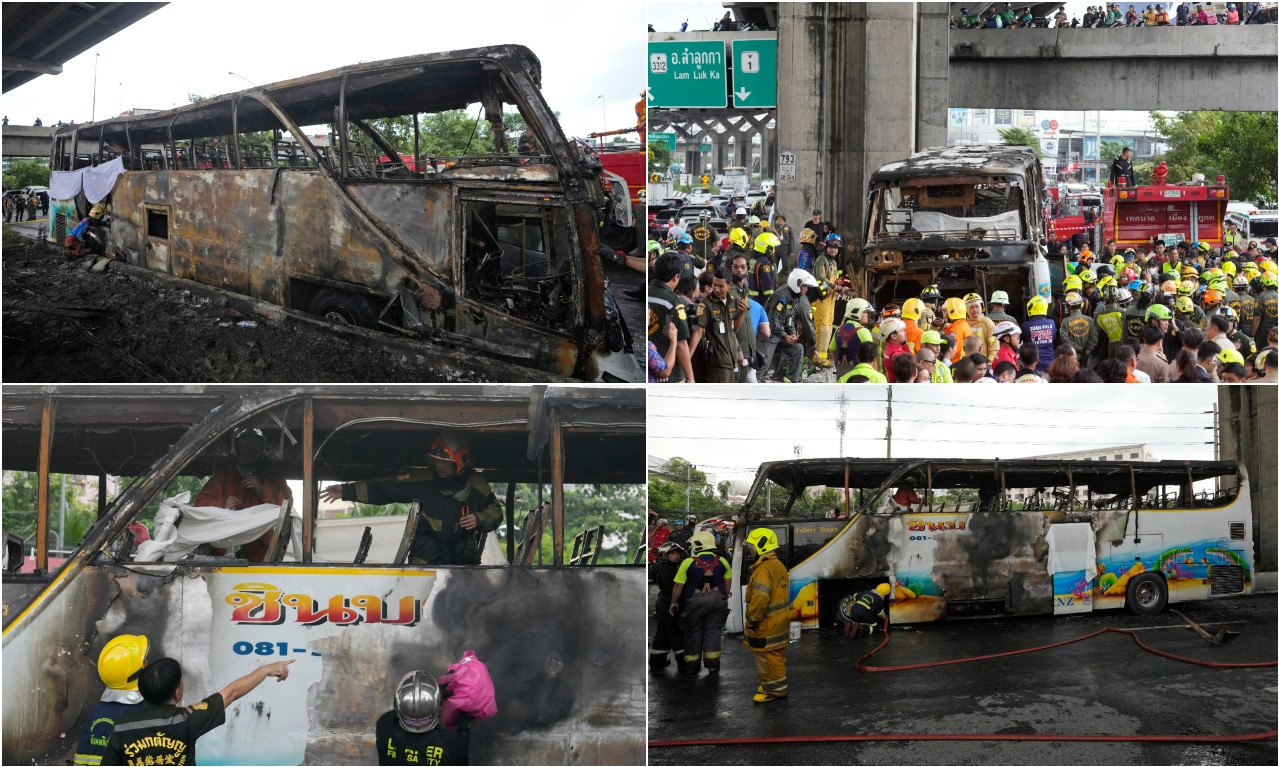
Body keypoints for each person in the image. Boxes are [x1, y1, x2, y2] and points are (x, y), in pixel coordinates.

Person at [320, 434, 501, 565]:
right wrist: (346, 491)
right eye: (437, 462)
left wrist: (479, 519)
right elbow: (385, 488)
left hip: (462, 561)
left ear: (460, 462)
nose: (440, 467)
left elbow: (496, 512)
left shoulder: (476, 485)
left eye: (445, 462)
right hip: (426, 559)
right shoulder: (424, 479)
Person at [101, 656, 294, 765]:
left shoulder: (121, 727)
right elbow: (231, 693)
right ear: (177, 693)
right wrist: (264, 670)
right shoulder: (186, 720)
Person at [194, 427, 292, 561]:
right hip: (223, 550)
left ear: (261, 452)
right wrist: (222, 503)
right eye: (243, 449)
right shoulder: (222, 478)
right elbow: (199, 506)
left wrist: (263, 487)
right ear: (235, 451)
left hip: (260, 552)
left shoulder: (273, 478)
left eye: (253, 450)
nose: (248, 454)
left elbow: (287, 506)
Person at [74, 635, 150, 766]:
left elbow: (83, 756)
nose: (147, 662)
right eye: (144, 660)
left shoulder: (98, 711)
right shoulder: (142, 711)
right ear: (134, 672)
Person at [376, 671, 470, 765]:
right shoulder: (451, 743)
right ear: (439, 707)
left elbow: (395, 711)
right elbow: (461, 755)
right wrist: (465, 727)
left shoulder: (384, 727)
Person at [670, 532, 731, 674]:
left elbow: (678, 586)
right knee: (713, 632)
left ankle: (692, 666)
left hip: (693, 603)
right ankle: (712, 665)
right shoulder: (722, 561)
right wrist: (725, 598)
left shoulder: (688, 562)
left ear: (697, 545)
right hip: (717, 602)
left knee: (693, 632)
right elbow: (728, 582)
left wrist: (673, 602)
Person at [743, 528, 789, 703]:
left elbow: (761, 597)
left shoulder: (763, 569)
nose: (750, 550)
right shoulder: (777, 565)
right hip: (778, 622)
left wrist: (752, 619)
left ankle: (775, 691)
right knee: (775, 655)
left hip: (766, 623)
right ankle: (771, 684)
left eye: (752, 547)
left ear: (761, 546)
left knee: (766, 657)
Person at [647, 252, 694, 382]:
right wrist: (690, 377)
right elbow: (681, 343)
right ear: (676, 277)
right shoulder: (673, 302)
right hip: (667, 372)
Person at [693, 266, 745, 383]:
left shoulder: (735, 300)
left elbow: (734, 330)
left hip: (732, 359)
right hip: (717, 361)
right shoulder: (706, 304)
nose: (716, 289)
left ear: (730, 285)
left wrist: (741, 314)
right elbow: (698, 332)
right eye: (714, 285)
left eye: (721, 286)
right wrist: (688, 358)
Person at [650, 542, 687, 670]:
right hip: (670, 603)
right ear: (664, 555)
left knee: (663, 634)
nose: (676, 555)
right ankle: (684, 664)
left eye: (677, 553)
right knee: (676, 633)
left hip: (665, 603)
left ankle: (656, 662)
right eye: (672, 553)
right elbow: (673, 588)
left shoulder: (669, 567)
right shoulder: (667, 569)